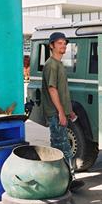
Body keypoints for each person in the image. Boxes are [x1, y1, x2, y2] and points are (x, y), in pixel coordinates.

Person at [41, 32, 84, 191]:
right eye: (59, 43)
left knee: (62, 147)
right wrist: (60, 112)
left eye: (64, 43)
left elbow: (62, 91)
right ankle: (63, 183)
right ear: (51, 45)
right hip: (55, 114)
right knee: (61, 149)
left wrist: (69, 111)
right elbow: (53, 90)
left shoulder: (58, 64)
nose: (63, 46)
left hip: (60, 113)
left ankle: (65, 181)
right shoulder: (52, 65)